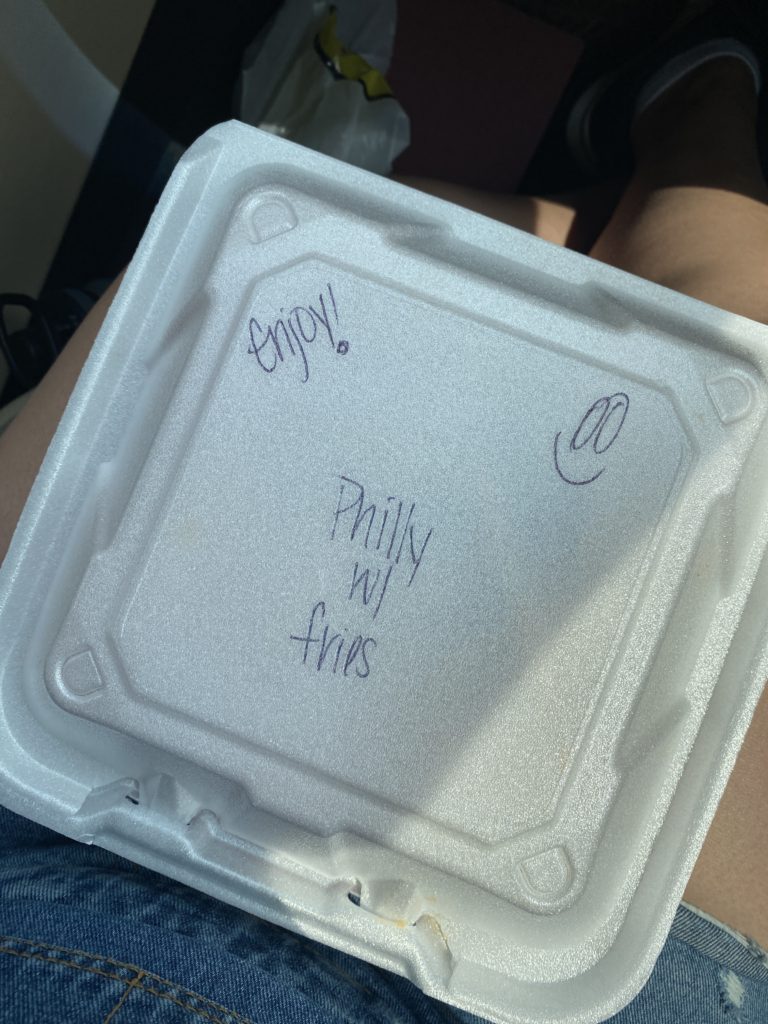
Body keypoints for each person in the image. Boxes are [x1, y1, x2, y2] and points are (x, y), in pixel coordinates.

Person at [1, 26, 768, 1024]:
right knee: (724, 348)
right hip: (552, 963)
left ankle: (658, 153)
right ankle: (682, 129)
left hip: (47, 821)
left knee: (310, 249)